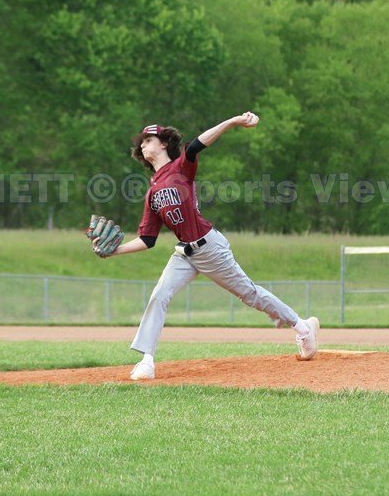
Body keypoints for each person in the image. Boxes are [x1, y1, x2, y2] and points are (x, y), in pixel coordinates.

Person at [97, 113, 318, 380]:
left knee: (250, 294)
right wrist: (115, 251)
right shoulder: (152, 192)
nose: (143, 144)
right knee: (160, 294)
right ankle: (147, 361)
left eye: (149, 139)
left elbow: (196, 145)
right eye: (142, 142)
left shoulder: (181, 168)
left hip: (210, 248)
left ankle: (303, 327)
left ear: (164, 143)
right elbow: (147, 239)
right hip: (184, 254)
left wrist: (232, 122)